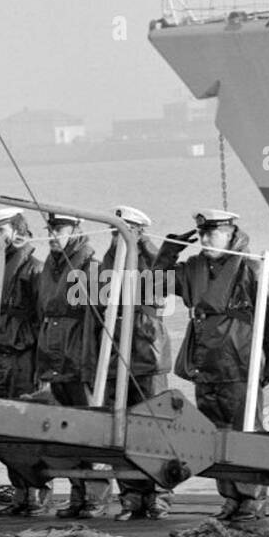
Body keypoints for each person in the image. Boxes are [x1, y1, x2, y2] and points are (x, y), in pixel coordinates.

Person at [157, 209, 269, 521]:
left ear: (230, 233)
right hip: (206, 364)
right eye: (202, 233)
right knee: (213, 436)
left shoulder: (252, 268)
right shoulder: (194, 268)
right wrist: (169, 250)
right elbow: (155, 283)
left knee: (245, 433)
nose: (205, 238)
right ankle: (229, 497)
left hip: (240, 363)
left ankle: (251, 499)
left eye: (212, 232)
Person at [36, 212, 110, 518]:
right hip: (55, 357)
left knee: (90, 429)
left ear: (75, 230)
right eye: (51, 229)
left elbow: (100, 319)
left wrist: (88, 361)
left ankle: (96, 497)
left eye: (60, 229)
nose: (54, 235)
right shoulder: (49, 269)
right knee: (68, 431)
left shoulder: (89, 266)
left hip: (79, 359)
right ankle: (78, 494)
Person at [0, 206, 52, 518]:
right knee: (7, 428)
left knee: (29, 426)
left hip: (25, 357)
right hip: (1, 358)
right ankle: (21, 492)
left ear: (16, 230)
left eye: (2, 228)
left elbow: (43, 320)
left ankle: (37, 492)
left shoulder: (34, 270)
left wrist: (43, 366)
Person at [103, 205, 174, 520]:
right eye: (115, 230)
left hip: (147, 353)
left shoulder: (152, 260)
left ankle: (157, 494)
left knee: (155, 427)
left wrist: (144, 247)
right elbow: (94, 300)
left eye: (126, 230)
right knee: (119, 429)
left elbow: (161, 287)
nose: (119, 236)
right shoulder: (107, 260)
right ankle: (130, 495)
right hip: (115, 352)